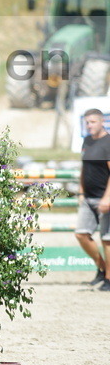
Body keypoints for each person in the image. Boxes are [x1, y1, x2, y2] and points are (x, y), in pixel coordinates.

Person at [77, 108, 110, 291]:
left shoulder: (108, 142)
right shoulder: (87, 141)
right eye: (87, 122)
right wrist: (81, 192)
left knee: (107, 240)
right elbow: (84, 168)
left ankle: (108, 280)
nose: (89, 125)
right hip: (88, 198)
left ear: (102, 121)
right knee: (81, 234)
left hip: (105, 199)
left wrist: (107, 198)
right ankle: (103, 268)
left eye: (92, 122)